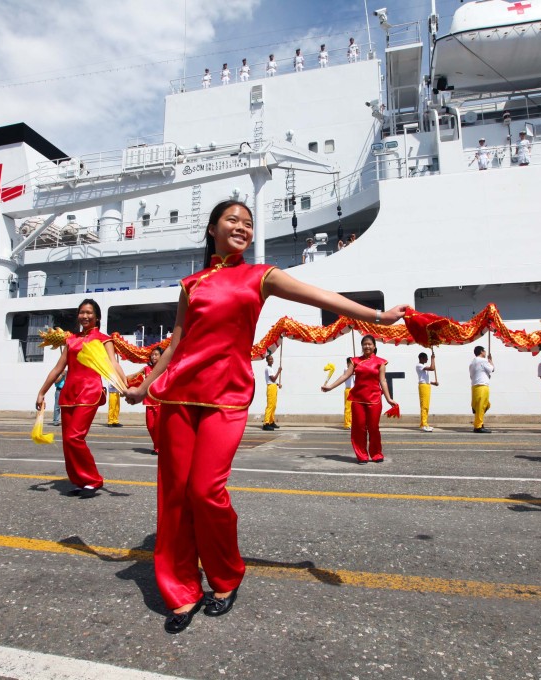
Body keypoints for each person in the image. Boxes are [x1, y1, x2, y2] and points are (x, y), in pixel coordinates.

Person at [124, 200, 407, 633]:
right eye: (232, 220)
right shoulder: (192, 283)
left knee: (206, 491)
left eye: (248, 223)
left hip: (228, 395)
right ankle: (181, 590)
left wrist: (376, 317)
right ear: (213, 229)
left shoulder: (262, 277)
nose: (241, 227)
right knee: (175, 495)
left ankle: (224, 575)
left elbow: (322, 296)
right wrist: (145, 385)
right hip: (180, 395)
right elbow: (178, 341)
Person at [36, 299, 126, 494]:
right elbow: (58, 369)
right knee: (68, 441)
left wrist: (124, 386)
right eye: (82, 312)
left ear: (97, 317)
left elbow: (113, 364)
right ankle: (79, 480)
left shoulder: (104, 339)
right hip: (69, 393)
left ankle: (93, 480)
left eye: (89, 313)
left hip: (90, 392)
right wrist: (42, 391)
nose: (85, 316)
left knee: (75, 437)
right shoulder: (71, 340)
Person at [323, 335, 398, 462]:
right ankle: (362, 455)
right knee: (359, 428)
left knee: (374, 428)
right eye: (365, 344)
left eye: (369, 344)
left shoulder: (381, 362)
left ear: (374, 346)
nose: (367, 346)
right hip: (358, 399)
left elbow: (383, 381)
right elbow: (345, 376)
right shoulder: (355, 361)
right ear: (362, 346)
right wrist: (330, 387)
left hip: (375, 399)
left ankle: (376, 454)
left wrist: (389, 399)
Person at [128, 348, 163, 454]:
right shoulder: (146, 368)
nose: (153, 357)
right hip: (149, 402)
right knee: (150, 426)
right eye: (152, 355)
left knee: (158, 427)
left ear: (162, 356)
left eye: (156, 355)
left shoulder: (164, 368)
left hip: (161, 402)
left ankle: (158, 448)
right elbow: (133, 376)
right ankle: (158, 446)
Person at [469, 345, 494, 433]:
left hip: (475, 386)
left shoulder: (472, 363)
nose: (485, 352)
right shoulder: (483, 360)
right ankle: (478, 426)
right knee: (482, 406)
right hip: (482, 386)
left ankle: (478, 420)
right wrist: (490, 360)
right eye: (484, 351)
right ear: (481, 352)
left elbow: (472, 375)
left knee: (485, 405)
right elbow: (492, 369)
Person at [416, 351, 438, 432]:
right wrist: (433, 359)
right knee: (424, 406)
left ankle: (424, 423)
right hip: (423, 386)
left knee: (426, 406)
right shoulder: (419, 365)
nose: (427, 359)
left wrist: (433, 383)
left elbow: (425, 378)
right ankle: (424, 424)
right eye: (426, 358)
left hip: (427, 385)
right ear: (421, 358)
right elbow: (432, 368)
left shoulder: (423, 366)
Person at [262, 352, 282, 431]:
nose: (271, 360)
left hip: (273, 387)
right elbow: (272, 379)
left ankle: (271, 421)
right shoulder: (268, 368)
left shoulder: (271, 368)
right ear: (267, 360)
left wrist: (277, 384)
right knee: (270, 406)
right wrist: (278, 371)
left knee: (274, 405)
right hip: (270, 387)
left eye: (272, 359)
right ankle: (266, 423)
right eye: (269, 359)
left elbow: (274, 381)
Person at [342, 357, 354, 428]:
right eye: (351, 363)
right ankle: (347, 424)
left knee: (353, 408)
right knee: (348, 407)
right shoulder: (346, 369)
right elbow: (351, 372)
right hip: (348, 390)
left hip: (354, 390)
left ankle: (352, 422)